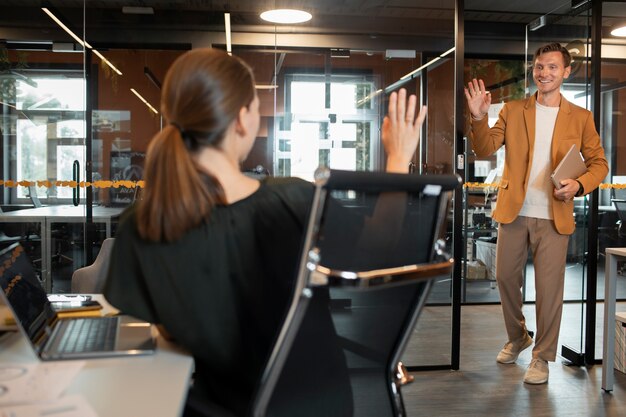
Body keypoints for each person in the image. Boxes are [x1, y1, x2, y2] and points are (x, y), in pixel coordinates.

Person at [104, 47, 426, 416]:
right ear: (242, 120)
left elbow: (158, 334)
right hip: (322, 405)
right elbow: (382, 246)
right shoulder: (297, 200)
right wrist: (399, 159)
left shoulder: (141, 225)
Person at [465, 43, 608, 385]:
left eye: (552, 67)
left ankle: (542, 357)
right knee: (504, 279)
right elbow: (483, 148)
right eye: (539, 66)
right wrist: (478, 116)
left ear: (566, 72)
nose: (544, 73)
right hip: (514, 212)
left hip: (554, 215)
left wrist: (579, 184)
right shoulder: (514, 110)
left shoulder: (581, 117)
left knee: (549, 292)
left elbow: (600, 164)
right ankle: (518, 337)